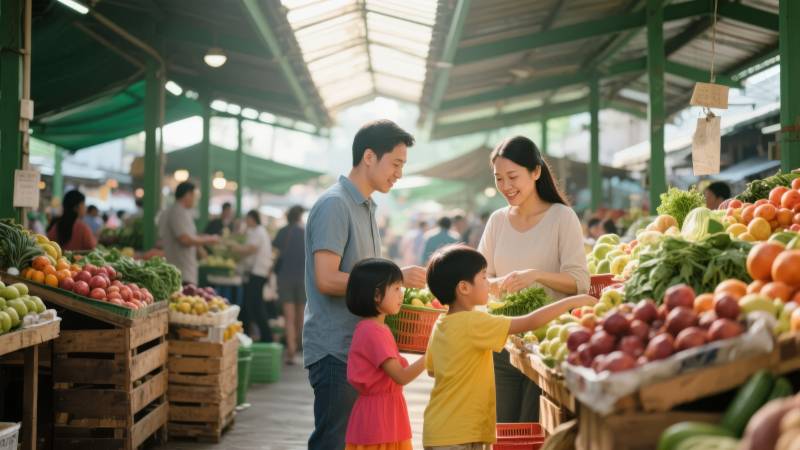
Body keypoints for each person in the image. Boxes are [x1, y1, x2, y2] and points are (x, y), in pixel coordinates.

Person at [304, 120, 427, 450]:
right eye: (396, 163)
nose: (399, 173)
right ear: (369, 156)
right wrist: (395, 277)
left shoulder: (366, 208)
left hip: (359, 351)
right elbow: (326, 278)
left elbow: (363, 278)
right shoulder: (336, 205)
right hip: (336, 350)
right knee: (333, 441)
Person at [423, 245, 596, 449]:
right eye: (484, 277)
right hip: (460, 434)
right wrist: (574, 301)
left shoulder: (441, 323)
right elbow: (529, 322)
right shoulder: (474, 322)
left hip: (440, 429)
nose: (489, 283)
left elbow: (433, 371)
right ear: (464, 288)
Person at [478, 136, 590, 423]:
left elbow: (580, 282)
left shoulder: (562, 217)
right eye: (499, 178)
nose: (505, 186)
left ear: (536, 172)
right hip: (502, 342)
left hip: (546, 346)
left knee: (534, 429)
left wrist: (536, 276)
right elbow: (481, 276)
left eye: (512, 177)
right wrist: (493, 282)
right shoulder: (497, 221)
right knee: (502, 430)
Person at [344, 258, 426, 450]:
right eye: (396, 288)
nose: (402, 294)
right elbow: (401, 376)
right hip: (378, 418)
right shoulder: (373, 331)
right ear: (376, 295)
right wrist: (430, 355)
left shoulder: (376, 327)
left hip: (385, 413)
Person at [158, 181, 220, 286]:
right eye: (195, 196)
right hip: (181, 271)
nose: (196, 199)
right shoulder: (177, 212)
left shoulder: (181, 211)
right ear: (188, 195)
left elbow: (189, 236)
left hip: (183, 269)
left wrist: (201, 244)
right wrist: (209, 240)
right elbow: (185, 239)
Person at [232, 210, 274, 342]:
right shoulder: (256, 231)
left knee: (255, 305)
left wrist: (235, 248)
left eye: (247, 219)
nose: (246, 222)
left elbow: (251, 248)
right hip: (256, 273)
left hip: (257, 273)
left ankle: (266, 337)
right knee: (250, 305)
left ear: (252, 219)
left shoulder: (258, 231)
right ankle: (250, 336)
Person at [274, 205, 307, 365]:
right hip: (303, 279)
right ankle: (297, 343)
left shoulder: (283, 232)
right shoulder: (305, 233)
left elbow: (275, 254)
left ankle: (291, 350)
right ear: (300, 216)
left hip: (285, 278)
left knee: (289, 316)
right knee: (300, 316)